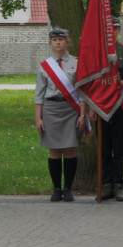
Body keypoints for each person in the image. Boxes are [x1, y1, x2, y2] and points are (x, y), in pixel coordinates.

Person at [35, 27, 87, 202]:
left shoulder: (77, 63)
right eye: (54, 39)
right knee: (54, 151)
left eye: (61, 39)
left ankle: (68, 188)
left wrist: (82, 114)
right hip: (51, 110)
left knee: (70, 149)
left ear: (67, 42)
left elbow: (82, 92)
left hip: (71, 110)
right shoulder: (44, 66)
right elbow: (39, 95)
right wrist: (38, 118)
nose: (58, 42)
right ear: (51, 42)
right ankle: (57, 188)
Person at [101, 17, 123, 201]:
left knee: (118, 147)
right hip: (102, 105)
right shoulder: (98, 52)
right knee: (105, 147)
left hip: (119, 103)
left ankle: (119, 184)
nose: (111, 32)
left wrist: (118, 83)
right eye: (108, 29)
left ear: (118, 30)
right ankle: (106, 184)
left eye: (114, 28)